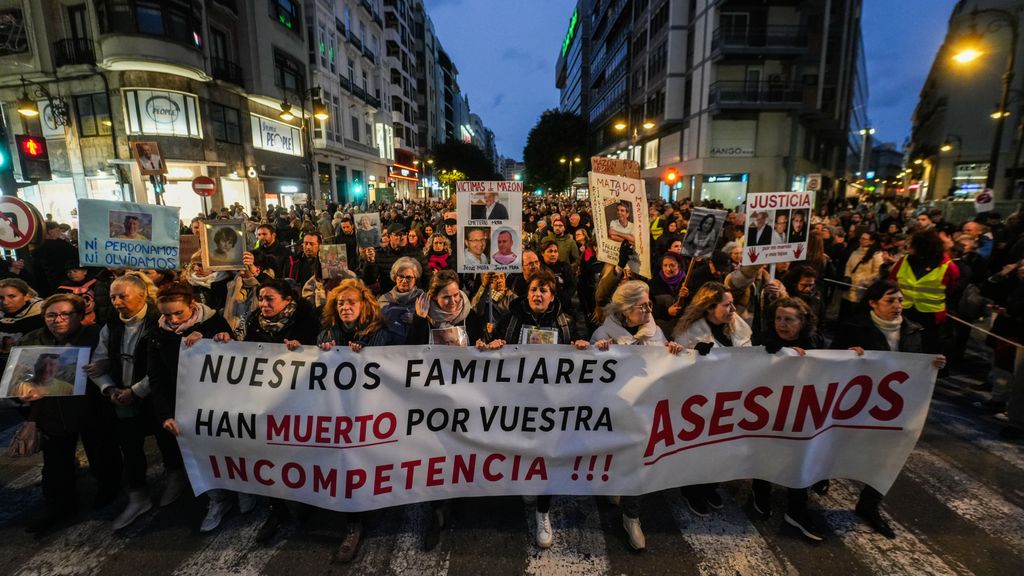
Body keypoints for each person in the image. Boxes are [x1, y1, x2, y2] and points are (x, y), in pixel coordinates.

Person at [478, 268, 590, 549]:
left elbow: (581, 351)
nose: (538, 295)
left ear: (552, 297)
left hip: (553, 404)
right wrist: (493, 343)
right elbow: (493, 346)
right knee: (526, 450)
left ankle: (543, 512)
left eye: (543, 291)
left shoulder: (565, 321)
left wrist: (580, 346)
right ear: (526, 294)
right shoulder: (512, 317)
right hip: (519, 400)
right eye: (533, 290)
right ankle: (528, 484)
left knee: (548, 455)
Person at [831, 280, 946, 538]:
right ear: (873, 303)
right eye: (890, 301)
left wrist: (938, 363)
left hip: (895, 409)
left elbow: (926, 363)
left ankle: (869, 505)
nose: (897, 306)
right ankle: (821, 477)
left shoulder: (915, 330)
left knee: (888, 456)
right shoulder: (854, 327)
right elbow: (830, 360)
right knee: (838, 447)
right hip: (854, 406)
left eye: (900, 301)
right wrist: (847, 354)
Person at [213, 279, 319, 542]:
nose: (264, 303)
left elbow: (324, 352)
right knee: (271, 452)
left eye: (270, 298)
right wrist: (226, 341)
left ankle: (306, 502)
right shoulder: (254, 321)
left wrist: (305, 349)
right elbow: (245, 352)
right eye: (261, 298)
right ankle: (277, 509)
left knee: (300, 452)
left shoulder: (307, 318)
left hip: (300, 399)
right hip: (267, 401)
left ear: (286, 299)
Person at [15, 294, 122, 536]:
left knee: (102, 455)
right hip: (52, 414)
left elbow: (117, 362)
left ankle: (109, 490)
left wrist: (106, 367)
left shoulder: (96, 336)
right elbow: (19, 376)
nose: (58, 320)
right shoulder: (32, 340)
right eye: (51, 315)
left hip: (92, 410)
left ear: (79, 316)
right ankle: (60, 507)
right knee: (56, 467)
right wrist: (22, 391)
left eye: (65, 314)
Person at [85, 273, 183, 531]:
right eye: (113, 296)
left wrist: (136, 391)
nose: (116, 302)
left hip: (154, 396)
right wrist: (108, 388)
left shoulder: (159, 322)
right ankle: (138, 496)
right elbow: (99, 359)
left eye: (122, 296)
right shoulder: (112, 325)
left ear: (142, 296)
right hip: (121, 396)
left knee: (166, 440)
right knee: (129, 446)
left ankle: (175, 477)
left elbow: (164, 367)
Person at [591, 281, 683, 550]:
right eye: (643, 306)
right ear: (625, 308)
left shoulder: (655, 334)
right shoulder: (602, 333)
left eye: (649, 304)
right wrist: (598, 353)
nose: (649, 310)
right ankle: (611, 486)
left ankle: (632, 517)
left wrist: (674, 353)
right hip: (613, 411)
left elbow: (665, 370)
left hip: (644, 411)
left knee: (639, 461)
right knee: (613, 454)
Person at [146, 282, 241, 533]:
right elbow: (156, 378)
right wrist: (165, 414)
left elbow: (238, 360)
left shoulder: (213, 323)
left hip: (220, 405)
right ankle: (217, 500)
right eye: (167, 315)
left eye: (179, 313)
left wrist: (216, 340)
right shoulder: (156, 334)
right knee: (203, 458)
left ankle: (243, 491)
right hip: (186, 409)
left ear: (192, 306)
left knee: (231, 451)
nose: (173, 320)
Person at [409, 270, 487, 549]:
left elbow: (484, 349)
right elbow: (410, 355)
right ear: (433, 297)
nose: (453, 301)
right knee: (437, 456)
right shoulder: (424, 318)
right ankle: (438, 512)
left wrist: (485, 345)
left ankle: (463, 501)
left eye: (456, 295)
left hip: (466, 397)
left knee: (464, 451)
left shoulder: (470, 315)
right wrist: (419, 322)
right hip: (434, 399)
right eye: (445, 297)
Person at [317, 279, 392, 562]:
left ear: (364, 306)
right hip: (337, 411)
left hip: (370, 412)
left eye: (351, 302)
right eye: (340, 303)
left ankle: (369, 509)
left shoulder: (379, 333)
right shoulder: (327, 333)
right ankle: (353, 522)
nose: (345, 307)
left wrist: (363, 356)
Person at [672, 282, 752, 515]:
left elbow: (750, 354)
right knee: (699, 447)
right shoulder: (688, 332)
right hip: (700, 404)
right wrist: (696, 356)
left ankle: (711, 485)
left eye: (732, 304)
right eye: (726, 305)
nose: (733, 310)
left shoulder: (736, 325)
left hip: (731, 399)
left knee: (721, 448)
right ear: (709, 308)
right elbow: (676, 369)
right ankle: (692, 490)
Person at [749, 297, 825, 541]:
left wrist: (854, 357)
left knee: (799, 459)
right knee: (765, 454)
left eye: (789, 319)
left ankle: (797, 509)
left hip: (802, 413)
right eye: (778, 318)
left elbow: (834, 368)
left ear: (802, 322)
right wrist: (779, 351)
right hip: (767, 411)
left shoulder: (815, 342)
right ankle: (760, 494)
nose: (782, 324)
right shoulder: (763, 340)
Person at [0, 278, 44, 370]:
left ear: (27, 296)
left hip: (32, 364)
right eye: (0, 297)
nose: (5, 302)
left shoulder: (43, 315)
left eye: (12, 296)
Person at [378, 256, 424, 344]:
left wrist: (417, 320)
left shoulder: (422, 298)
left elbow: (431, 326)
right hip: (390, 349)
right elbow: (376, 326)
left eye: (409, 277)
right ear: (395, 277)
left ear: (416, 279)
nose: (404, 281)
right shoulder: (383, 300)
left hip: (416, 348)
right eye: (401, 276)